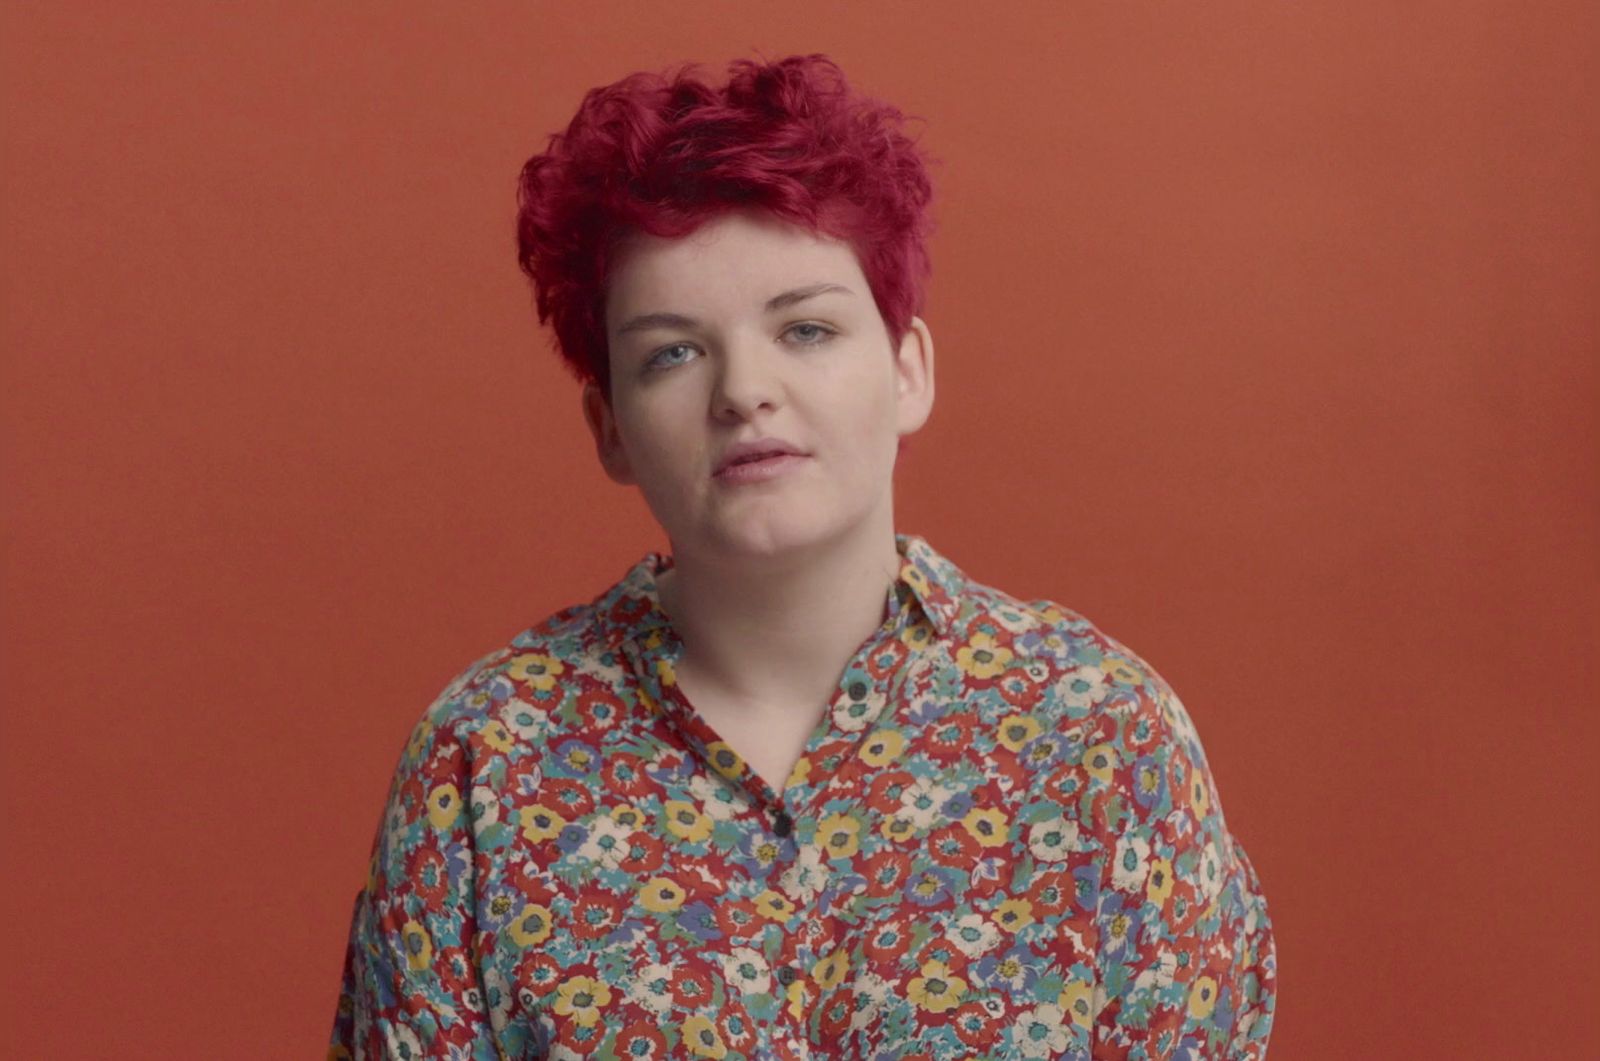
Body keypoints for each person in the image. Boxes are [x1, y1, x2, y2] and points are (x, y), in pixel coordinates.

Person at [329, 53, 1276, 1060]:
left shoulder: (1100, 733)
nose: (744, 389)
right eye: (672, 352)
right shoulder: (486, 762)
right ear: (608, 425)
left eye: (807, 328)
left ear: (908, 371)